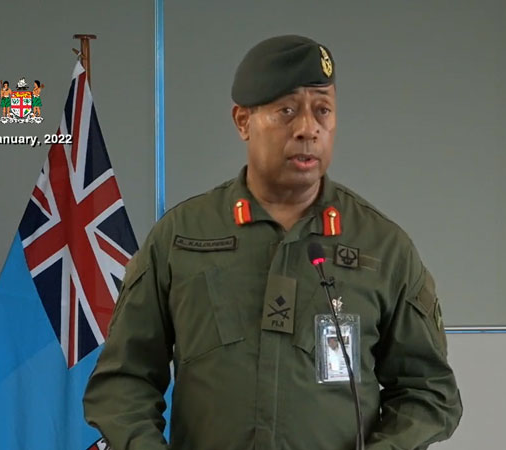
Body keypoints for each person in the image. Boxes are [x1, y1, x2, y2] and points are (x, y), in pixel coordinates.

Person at [83, 35, 462, 450]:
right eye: (286, 111)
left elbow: (428, 393)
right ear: (243, 121)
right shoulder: (181, 237)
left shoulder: (382, 248)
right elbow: (123, 383)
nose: (307, 129)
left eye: (322, 110)